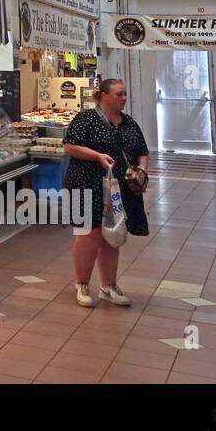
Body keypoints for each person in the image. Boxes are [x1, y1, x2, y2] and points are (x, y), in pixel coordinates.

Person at [63, 78, 151, 308]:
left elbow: (142, 151)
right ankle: (81, 284)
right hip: (83, 182)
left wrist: (142, 169)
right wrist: (97, 156)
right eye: (118, 94)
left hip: (117, 187)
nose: (123, 98)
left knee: (112, 235)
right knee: (88, 234)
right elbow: (70, 146)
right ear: (103, 95)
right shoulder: (86, 119)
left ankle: (108, 286)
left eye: (125, 94)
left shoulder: (129, 123)